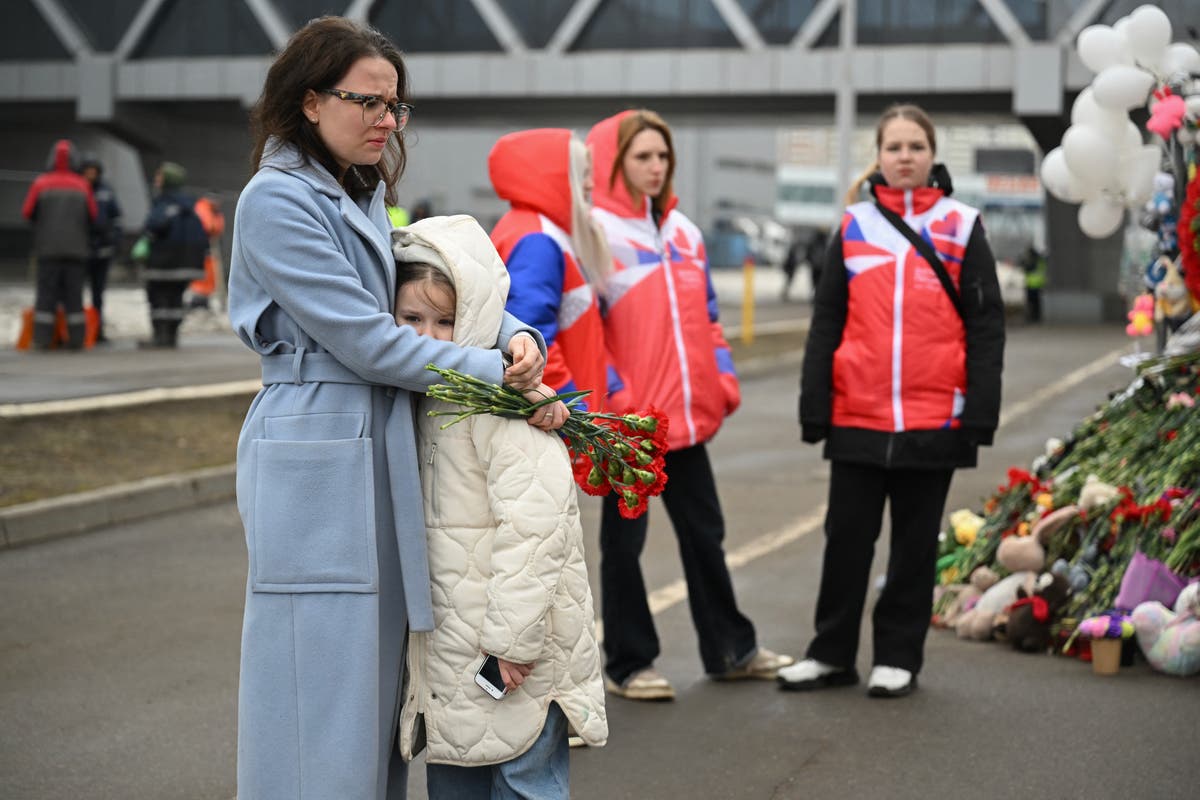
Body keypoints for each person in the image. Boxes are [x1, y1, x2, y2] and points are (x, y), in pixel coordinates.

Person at [225, 17, 557, 800]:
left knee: (374, 694)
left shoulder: (356, 191)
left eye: (394, 106)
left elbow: (420, 288)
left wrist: (513, 334)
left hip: (368, 440)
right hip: (317, 444)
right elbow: (369, 342)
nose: (385, 120)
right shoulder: (275, 201)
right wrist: (492, 374)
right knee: (317, 686)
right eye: (367, 102)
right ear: (309, 101)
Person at [781, 104, 1005, 698]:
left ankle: (898, 655)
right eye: (894, 146)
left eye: (916, 146)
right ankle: (830, 652)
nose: (905, 156)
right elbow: (827, 319)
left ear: (932, 156)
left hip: (936, 416)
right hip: (858, 411)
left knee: (913, 545)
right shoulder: (854, 226)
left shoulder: (962, 224)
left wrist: (980, 411)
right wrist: (815, 402)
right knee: (845, 540)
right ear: (878, 157)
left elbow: (985, 325)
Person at [391, 215, 606, 799]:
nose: (428, 337)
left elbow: (538, 529)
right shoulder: (420, 401)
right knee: (458, 772)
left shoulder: (503, 406)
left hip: (514, 650)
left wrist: (511, 645)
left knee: (523, 782)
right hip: (454, 646)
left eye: (446, 321)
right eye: (411, 320)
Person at [586, 108, 793, 701]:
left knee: (707, 535)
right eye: (641, 157)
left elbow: (706, 318)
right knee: (624, 548)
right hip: (629, 426)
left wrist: (721, 379)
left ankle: (731, 649)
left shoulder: (686, 234)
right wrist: (618, 396)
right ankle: (629, 663)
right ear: (614, 162)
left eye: (662, 157)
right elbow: (587, 334)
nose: (655, 168)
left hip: (687, 421)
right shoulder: (597, 234)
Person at [488, 128, 610, 409]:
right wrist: (576, 414)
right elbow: (531, 343)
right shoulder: (538, 241)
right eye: (583, 173)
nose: (591, 184)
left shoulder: (541, 231)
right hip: (561, 424)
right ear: (555, 175)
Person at [21, 139, 96, 349]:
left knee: (46, 297)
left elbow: (27, 212)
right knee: (74, 297)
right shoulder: (82, 186)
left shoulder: (40, 183)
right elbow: (93, 216)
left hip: (48, 250)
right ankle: (76, 340)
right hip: (76, 251)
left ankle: (43, 340)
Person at [138, 162, 207, 347]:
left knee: (158, 298)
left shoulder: (165, 202)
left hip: (163, 260)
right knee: (175, 299)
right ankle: (171, 336)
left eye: (160, 176)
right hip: (186, 261)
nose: (156, 180)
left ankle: (159, 337)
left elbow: (154, 226)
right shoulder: (189, 205)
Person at [80, 153, 121, 342]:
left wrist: (114, 240)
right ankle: (78, 329)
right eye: (87, 171)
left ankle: (97, 330)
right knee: (76, 293)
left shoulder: (106, 191)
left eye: (93, 171)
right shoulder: (79, 189)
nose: (90, 175)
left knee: (98, 293)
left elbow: (116, 216)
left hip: (102, 250)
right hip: (82, 249)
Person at [187, 194, 227, 310]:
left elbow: (217, 228)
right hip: (199, 246)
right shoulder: (202, 208)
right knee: (202, 273)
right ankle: (198, 298)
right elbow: (209, 227)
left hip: (209, 247)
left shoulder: (214, 211)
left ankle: (204, 298)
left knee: (210, 272)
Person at [1019, 242, 1046, 323]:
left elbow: (1026, 268)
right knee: (1036, 304)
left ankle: (1033, 318)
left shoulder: (1033, 261)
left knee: (1032, 303)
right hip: (1036, 285)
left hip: (1032, 285)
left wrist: (1024, 260)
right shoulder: (1039, 259)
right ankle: (1035, 318)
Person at [805, 227, 829, 295]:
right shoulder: (826, 242)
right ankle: (816, 293)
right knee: (818, 281)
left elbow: (808, 253)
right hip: (820, 265)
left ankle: (815, 293)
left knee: (815, 281)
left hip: (815, 265)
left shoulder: (813, 242)